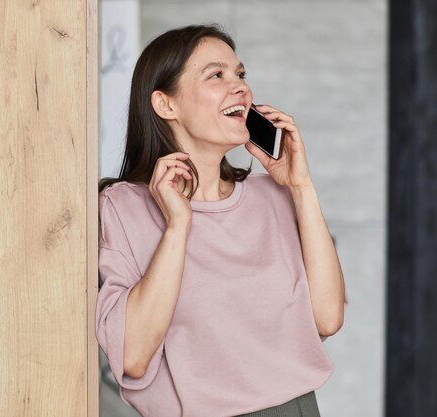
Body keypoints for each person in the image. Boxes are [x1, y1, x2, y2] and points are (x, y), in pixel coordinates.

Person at [96, 24, 347, 417]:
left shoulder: (274, 196)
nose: (241, 88)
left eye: (241, 75)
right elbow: (132, 356)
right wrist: (178, 225)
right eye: (217, 75)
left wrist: (301, 187)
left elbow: (328, 318)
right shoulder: (122, 207)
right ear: (166, 105)